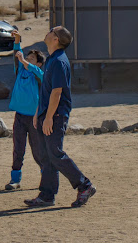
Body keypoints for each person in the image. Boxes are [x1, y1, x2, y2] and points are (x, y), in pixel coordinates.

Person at [23, 25, 96, 208]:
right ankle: (47, 195)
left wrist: (48, 118)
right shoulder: (51, 59)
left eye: (51, 31)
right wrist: (37, 113)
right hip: (45, 114)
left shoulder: (59, 61)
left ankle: (84, 185)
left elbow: (57, 92)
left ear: (56, 39)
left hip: (55, 115)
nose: (47, 32)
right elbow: (46, 91)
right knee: (46, 155)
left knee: (55, 153)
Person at [5, 30, 45, 190]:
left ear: (39, 63)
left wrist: (24, 60)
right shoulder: (20, 71)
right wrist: (17, 41)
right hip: (20, 117)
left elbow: (36, 71)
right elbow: (17, 54)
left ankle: (46, 177)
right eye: (27, 58)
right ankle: (15, 179)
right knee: (18, 149)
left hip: (35, 118)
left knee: (38, 150)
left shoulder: (39, 74)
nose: (26, 60)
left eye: (31, 59)